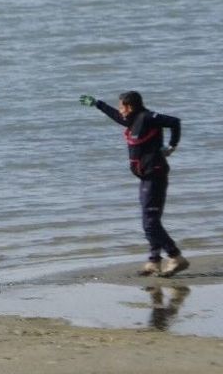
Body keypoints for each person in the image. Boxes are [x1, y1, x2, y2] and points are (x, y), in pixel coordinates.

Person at [79, 90, 189, 277]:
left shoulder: (148, 117)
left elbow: (174, 122)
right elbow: (116, 116)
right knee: (150, 222)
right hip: (146, 177)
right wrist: (98, 104)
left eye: (121, 106)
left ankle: (175, 256)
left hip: (155, 175)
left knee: (150, 223)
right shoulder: (132, 120)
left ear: (129, 107)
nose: (120, 109)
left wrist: (172, 146)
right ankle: (154, 261)